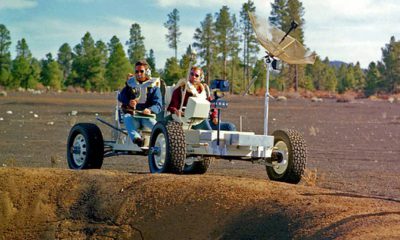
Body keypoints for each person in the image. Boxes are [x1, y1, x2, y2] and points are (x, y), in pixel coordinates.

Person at [118, 60, 162, 146]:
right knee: (127, 117)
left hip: (147, 117)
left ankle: (161, 145)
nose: (138, 74)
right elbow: (120, 96)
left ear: (147, 72)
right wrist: (129, 102)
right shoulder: (130, 84)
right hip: (134, 117)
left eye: (141, 71)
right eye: (136, 71)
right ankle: (137, 139)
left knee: (157, 127)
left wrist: (150, 110)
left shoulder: (154, 87)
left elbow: (158, 105)